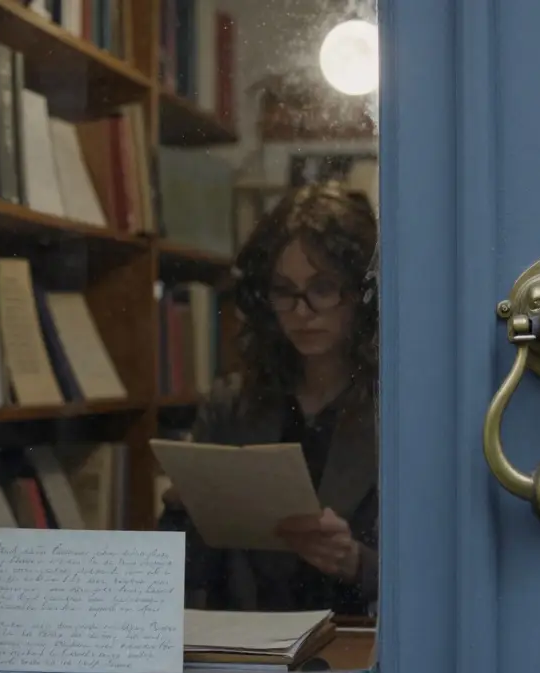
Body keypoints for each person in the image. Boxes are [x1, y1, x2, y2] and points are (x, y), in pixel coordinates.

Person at [158, 181, 380, 616]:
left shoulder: (397, 410)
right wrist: (182, 514)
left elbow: (438, 567)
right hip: (244, 646)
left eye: (323, 288)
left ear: (360, 293)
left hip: (357, 648)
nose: (301, 312)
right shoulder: (231, 404)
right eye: (284, 290)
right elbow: (185, 572)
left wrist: (357, 563)